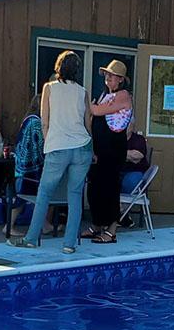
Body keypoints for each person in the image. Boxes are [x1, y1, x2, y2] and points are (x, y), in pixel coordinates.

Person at [10, 50, 92, 254]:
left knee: (44, 193)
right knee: (74, 195)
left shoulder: (49, 88)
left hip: (58, 147)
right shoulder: (83, 92)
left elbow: (45, 120)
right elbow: (87, 123)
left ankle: (31, 238)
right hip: (82, 146)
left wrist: (48, 144)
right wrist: (93, 146)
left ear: (59, 67)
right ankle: (69, 244)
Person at [84, 60, 133, 244]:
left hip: (113, 150)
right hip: (100, 149)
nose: (107, 78)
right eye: (106, 75)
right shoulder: (106, 94)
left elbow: (97, 110)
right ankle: (97, 225)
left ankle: (111, 231)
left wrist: (92, 107)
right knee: (95, 189)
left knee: (110, 189)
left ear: (120, 79)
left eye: (111, 76)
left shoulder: (123, 95)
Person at [7, 93, 52, 236]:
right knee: (25, 195)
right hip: (31, 167)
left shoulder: (27, 119)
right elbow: (40, 144)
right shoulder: (37, 122)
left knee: (34, 195)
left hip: (21, 165)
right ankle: (9, 225)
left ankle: (44, 224)